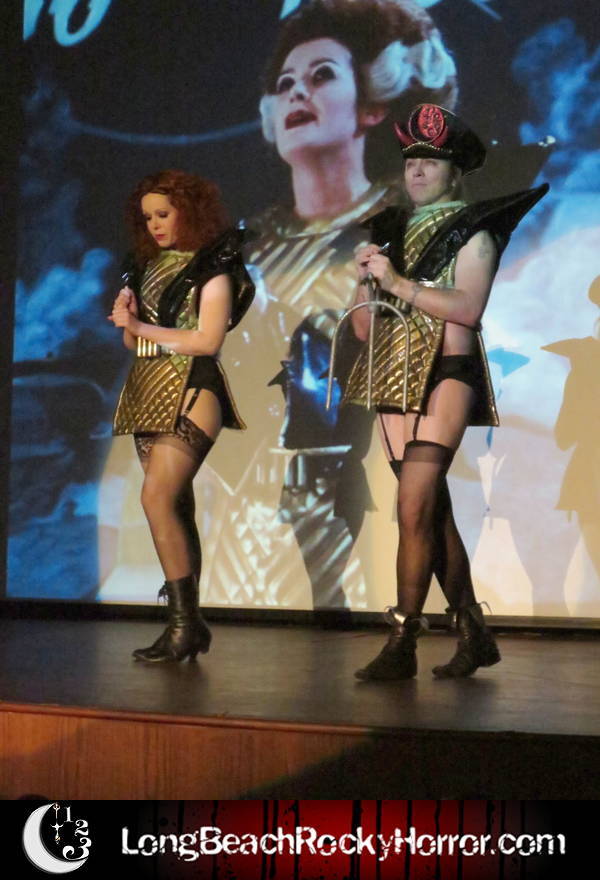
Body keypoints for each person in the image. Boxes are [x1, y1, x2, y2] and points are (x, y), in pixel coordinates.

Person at [208, 0, 459, 610]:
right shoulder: (247, 242)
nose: (297, 92)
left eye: (322, 75)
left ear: (371, 104)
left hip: (362, 471)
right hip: (250, 508)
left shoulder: (404, 225)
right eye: (285, 84)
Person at [346, 103, 548, 679]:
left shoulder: (474, 231)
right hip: (392, 376)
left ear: (455, 172)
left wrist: (398, 282)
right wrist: (365, 283)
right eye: (411, 161)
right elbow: (362, 330)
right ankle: (473, 631)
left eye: (430, 162)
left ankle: (403, 639)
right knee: (431, 515)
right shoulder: (389, 234)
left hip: (447, 373)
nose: (416, 170)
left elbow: (468, 308)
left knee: (413, 505)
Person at [109, 170, 254, 662]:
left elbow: (207, 340)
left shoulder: (213, 269)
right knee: (176, 507)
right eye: (147, 217)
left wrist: (141, 325)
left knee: (156, 498)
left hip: (194, 388)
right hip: (148, 391)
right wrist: (127, 318)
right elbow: (134, 343)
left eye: (163, 214)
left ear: (187, 212)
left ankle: (182, 625)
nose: (154, 224)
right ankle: (189, 624)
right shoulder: (146, 268)